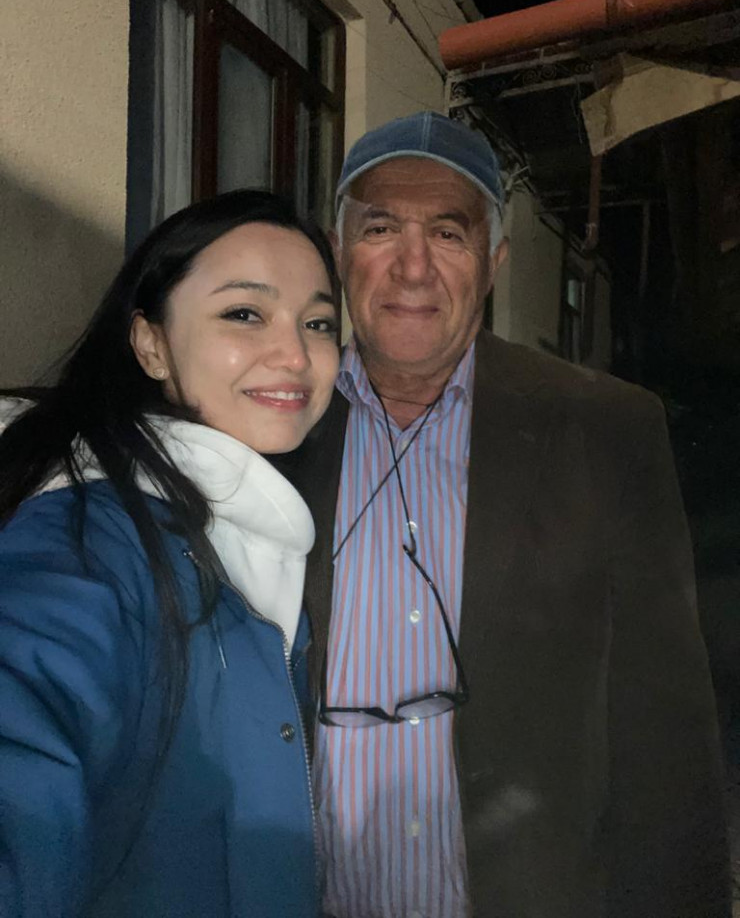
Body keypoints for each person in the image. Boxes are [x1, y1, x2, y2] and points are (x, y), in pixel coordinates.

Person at [288, 113, 730, 918]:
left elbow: (667, 734)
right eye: (381, 227)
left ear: (492, 262)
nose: (413, 267)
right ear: (338, 250)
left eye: (448, 233)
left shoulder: (605, 428)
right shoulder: (277, 426)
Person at [0, 190, 341, 918]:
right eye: (244, 313)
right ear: (151, 343)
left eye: (317, 323)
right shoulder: (91, 535)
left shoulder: (247, 528)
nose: (295, 355)